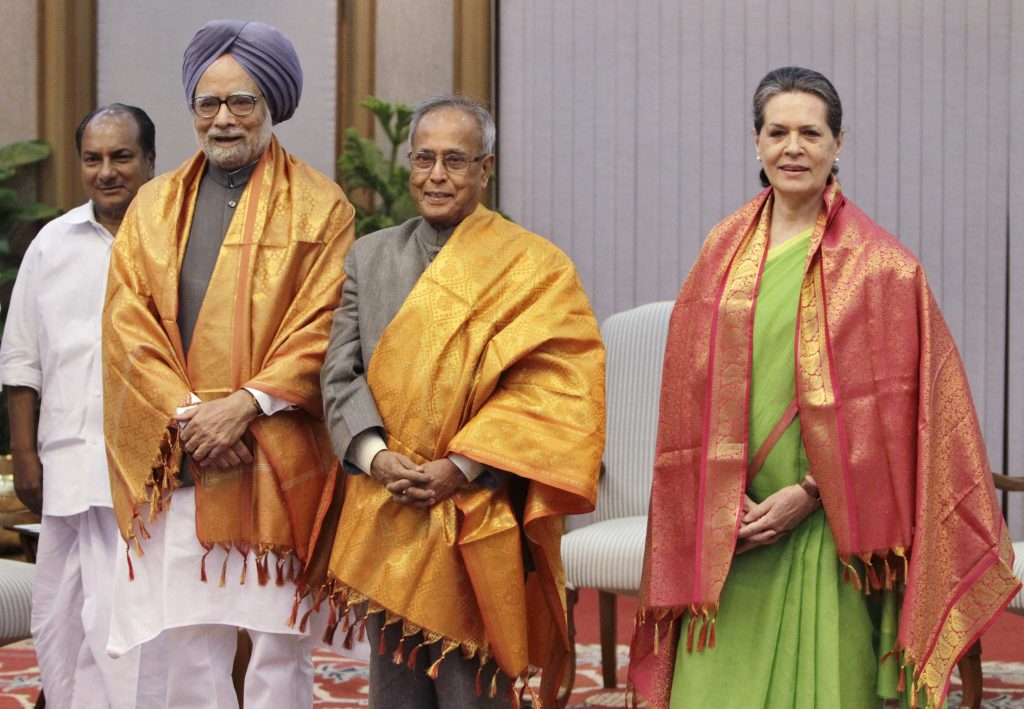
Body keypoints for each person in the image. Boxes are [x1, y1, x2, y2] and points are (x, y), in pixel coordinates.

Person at [629, 66, 1019, 708]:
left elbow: (904, 413)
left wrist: (809, 493)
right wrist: (720, 497)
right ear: (756, 142)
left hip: (828, 523)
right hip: (729, 523)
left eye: (810, 132)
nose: (793, 147)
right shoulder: (721, 248)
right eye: (777, 131)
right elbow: (688, 391)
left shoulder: (883, 268)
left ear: (838, 144)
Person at [314, 94, 605, 707]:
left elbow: (552, 389)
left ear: (484, 168)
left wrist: (461, 467)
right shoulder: (371, 256)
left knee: (472, 688)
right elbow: (340, 375)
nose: (436, 175)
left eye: (454, 160)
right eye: (424, 159)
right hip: (389, 501)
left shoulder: (535, 267)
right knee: (394, 683)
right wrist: (375, 457)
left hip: (478, 506)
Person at [101, 20, 354, 708]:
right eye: (207, 104)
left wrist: (245, 405)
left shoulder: (321, 206)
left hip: (276, 450)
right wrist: (191, 417)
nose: (222, 118)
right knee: (192, 636)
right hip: (187, 451)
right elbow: (130, 329)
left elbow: (324, 325)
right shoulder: (151, 208)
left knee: (279, 643)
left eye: (241, 101)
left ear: (271, 105)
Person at [0, 104, 163, 708]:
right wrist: (24, 453)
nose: (106, 171)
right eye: (93, 159)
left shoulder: (173, 246)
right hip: (67, 465)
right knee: (60, 620)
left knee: (132, 628)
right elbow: (22, 358)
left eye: (122, 156)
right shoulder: (52, 243)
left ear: (150, 159)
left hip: (149, 477)